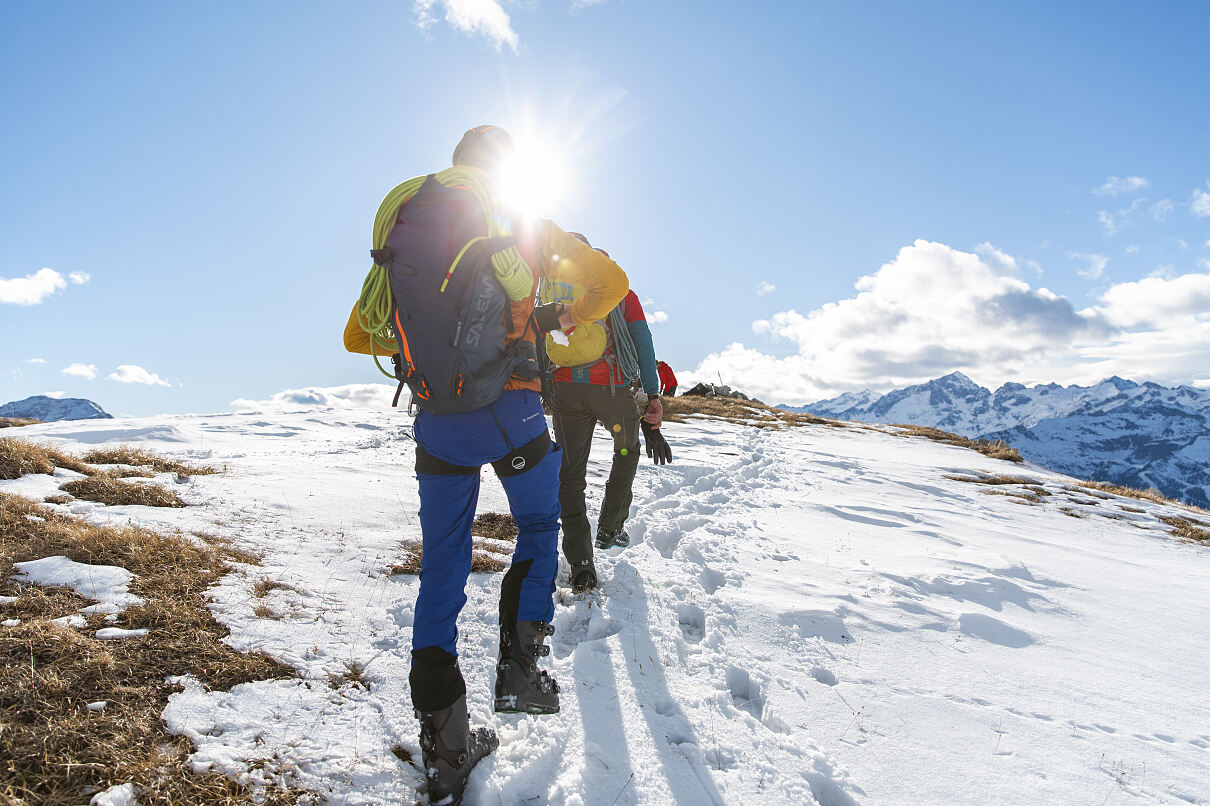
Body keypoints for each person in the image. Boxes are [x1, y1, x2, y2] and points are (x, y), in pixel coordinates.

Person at [344, 126, 628, 805]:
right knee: (537, 525)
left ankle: (444, 750)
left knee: (441, 568)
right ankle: (520, 673)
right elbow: (612, 283)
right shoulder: (524, 220)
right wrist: (553, 317)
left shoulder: (407, 215)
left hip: (437, 422)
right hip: (515, 413)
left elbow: (359, 334)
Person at [547, 234, 673, 592]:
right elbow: (642, 341)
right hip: (611, 390)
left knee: (570, 475)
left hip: (566, 390)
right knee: (626, 450)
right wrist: (653, 394)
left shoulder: (553, 288)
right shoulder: (616, 287)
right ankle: (611, 527)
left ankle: (581, 562)